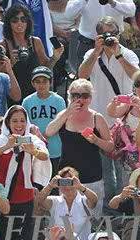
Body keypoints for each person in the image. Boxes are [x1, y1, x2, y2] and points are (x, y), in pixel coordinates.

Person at [78, 16, 139, 200]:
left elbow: (137, 77)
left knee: (123, 168)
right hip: (100, 118)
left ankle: (123, 202)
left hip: (124, 120)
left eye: (113, 33)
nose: (110, 37)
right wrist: (97, 51)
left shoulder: (128, 54)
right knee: (105, 170)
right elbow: (82, 75)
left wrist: (118, 55)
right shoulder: (92, 54)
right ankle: (109, 204)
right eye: (105, 35)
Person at [0, 105, 51, 240]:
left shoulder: (31, 138)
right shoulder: (0, 140)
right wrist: (7, 146)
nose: (19, 124)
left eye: (22, 120)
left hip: (24, 198)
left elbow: (45, 155)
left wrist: (33, 150)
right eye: (15, 121)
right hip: (2, 198)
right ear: (8, 122)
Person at [45, 78, 114, 212]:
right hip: (67, 177)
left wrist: (96, 140)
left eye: (84, 96)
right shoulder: (64, 116)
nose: (80, 100)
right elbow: (49, 132)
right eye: (75, 95)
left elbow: (110, 146)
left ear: (90, 98)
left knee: (92, 218)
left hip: (92, 177)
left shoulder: (97, 118)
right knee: (66, 216)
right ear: (70, 97)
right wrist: (68, 112)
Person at [0, 4, 53, 105]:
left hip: (35, 93)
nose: (19, 23)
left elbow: (45, 67)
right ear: (8, 23)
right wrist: (11, 64)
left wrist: (55, 57)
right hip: (14, 94)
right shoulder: (3, 45)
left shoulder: (36, 42)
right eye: (15, 20)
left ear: (28, 22)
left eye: (23, 19)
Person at [64, 0, 136, 70]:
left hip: (115, 42)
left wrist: (113, 3)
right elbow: (69, 14)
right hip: (88, 43)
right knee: (84, 76)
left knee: (120, 73)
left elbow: (131, 11)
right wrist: (84, 1)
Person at [38, 166, 97, 240]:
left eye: (70, 182)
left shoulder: (84, 201)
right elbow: (39, 200)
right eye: (63, 182)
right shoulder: (54, 201)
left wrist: (81, 187)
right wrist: (50, 185)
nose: (67, 187)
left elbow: (94, 200)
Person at [23, 66, 66, 173]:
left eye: (44, 81)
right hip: (35, 148)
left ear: (50, 82)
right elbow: (24, 124)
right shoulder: (27, 102)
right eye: (37, 82)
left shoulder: (59, 101)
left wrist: (44, 136)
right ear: (32, 83)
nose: (41, 85)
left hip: (54, 148)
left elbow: (62, 123)